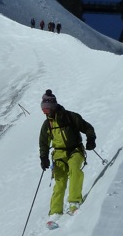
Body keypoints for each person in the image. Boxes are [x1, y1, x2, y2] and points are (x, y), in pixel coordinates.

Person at [39, 89, 96, 221]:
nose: (45, 113)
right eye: (43, 111)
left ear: (53, 108)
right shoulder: (47, 124)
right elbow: (43, 142)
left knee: (74, 169)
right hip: (58, 154)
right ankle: (55, 212)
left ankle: (74, 201)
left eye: (47, 110)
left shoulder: (71, 117)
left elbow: (88, 128)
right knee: (60, 182)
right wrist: (44, 158)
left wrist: (91, 139)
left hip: (75, 150)